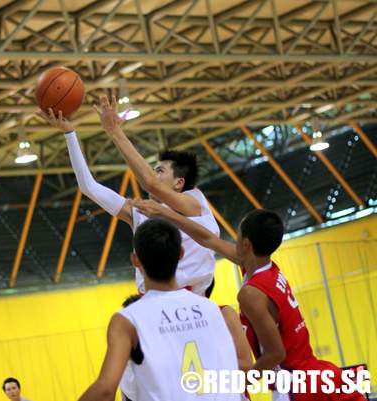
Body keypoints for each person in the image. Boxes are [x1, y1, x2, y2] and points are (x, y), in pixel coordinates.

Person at [132, 202, 365, 401]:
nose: (235, 238)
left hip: (295, 383)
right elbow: (207, 239)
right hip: (312, 371)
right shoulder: (264, 267)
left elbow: (276, 354)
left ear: (246, 244)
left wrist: (242, 379)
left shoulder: (251, 293)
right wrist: (166, 214)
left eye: (239, 233)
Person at [38, 105, 219, 295]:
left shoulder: (193, 201)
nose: (152, 175)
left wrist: (114, 130)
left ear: (179, 182)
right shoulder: (142, 213)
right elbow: (88, 187)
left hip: (193, 304)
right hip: (152, 303)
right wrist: (70, 134)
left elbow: (150, 184)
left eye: (159, 171)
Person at [78, 219, 239, 401]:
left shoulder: (128, 320)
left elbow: (106, 390)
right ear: (181, 254)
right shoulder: (211, 310)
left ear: (135, 260)